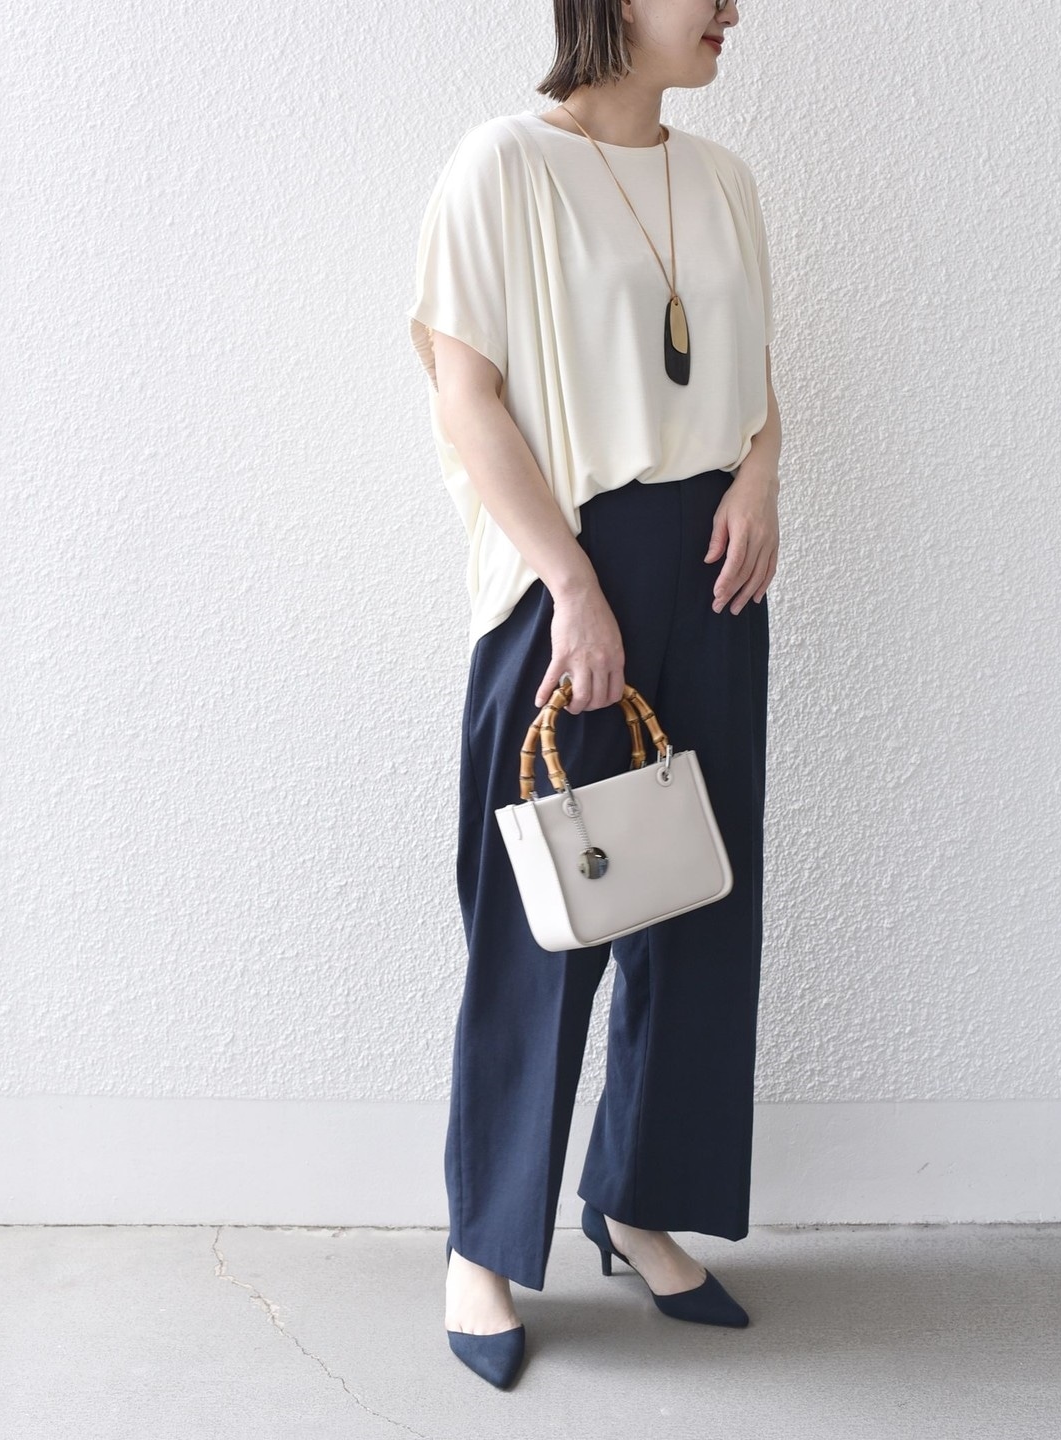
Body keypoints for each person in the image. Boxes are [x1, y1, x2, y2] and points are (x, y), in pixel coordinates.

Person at [406, 0, 780, 1389]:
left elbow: (756, 387)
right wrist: (570, 584)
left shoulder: (724, 181)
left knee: (699, 909)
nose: (732, 9)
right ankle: (484, 1244)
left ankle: (636, 1201)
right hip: (569, 570)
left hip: (717, 570)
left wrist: (763, 479)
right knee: (542, 923)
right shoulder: (502, 165)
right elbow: (467, 394)